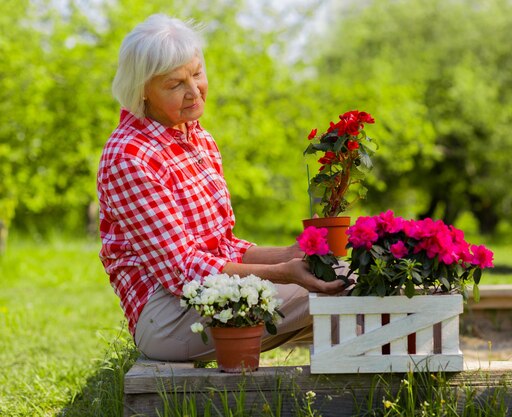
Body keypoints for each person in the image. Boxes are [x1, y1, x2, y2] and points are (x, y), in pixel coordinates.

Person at [97, 14, 346, 362]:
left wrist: (289, 254)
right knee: (337, 290)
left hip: (209, 292)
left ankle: (383, 381)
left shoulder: (198, 138)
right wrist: (281, 274)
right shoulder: (130, 156)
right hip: (168, 317)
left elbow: (223, 247)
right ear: (142, 92)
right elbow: (183, 270)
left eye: (196, 73)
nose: (193, 91)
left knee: (344, 277)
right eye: (174, 84)